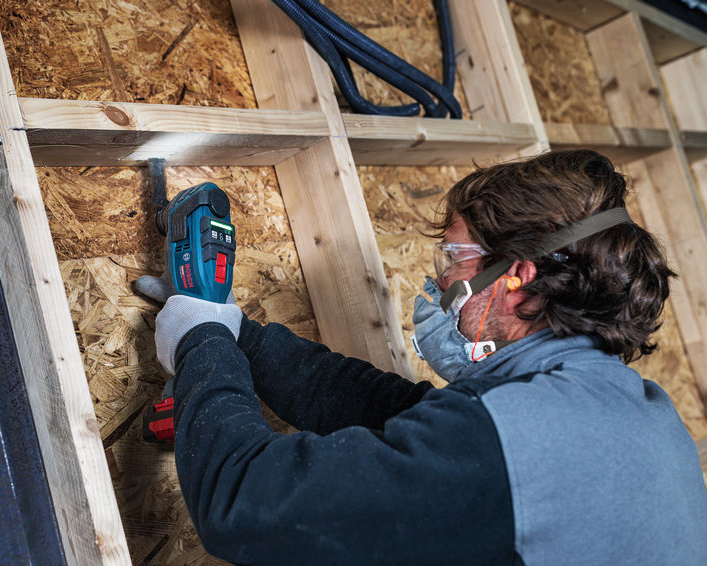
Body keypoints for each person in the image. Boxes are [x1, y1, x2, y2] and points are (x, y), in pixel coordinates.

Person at [136, 149, 707, 566]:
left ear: (518, 280)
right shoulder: (636, 412)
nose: (442, 278)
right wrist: (238, 334)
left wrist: (201, 341)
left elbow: (244, 503)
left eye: (455, 256)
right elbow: (398, 418)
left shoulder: (512, 441)